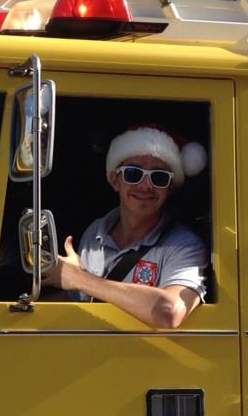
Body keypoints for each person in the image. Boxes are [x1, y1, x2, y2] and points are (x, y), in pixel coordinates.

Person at [42, 125, 208, 328]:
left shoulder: (185, 245)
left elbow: (169, 312)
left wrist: (79, 278)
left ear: (170, 188)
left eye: (159, 177)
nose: (146, 186)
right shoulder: (95, 232)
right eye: (133, 173)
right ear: (114, 180)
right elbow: (84, 301)